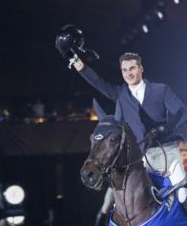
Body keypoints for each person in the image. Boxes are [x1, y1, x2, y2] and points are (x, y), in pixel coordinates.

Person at [73, 52, 187, 203]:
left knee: (183, 196)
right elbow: (99, 83)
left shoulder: (161, 90)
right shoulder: (121, 94)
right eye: (124, 70)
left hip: (167, 153)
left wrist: (164, 129)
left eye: (132, 68)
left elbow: (181, 112)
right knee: (127, 200)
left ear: (141, 68)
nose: (128, 73)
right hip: (140, 158)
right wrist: (77, 63)